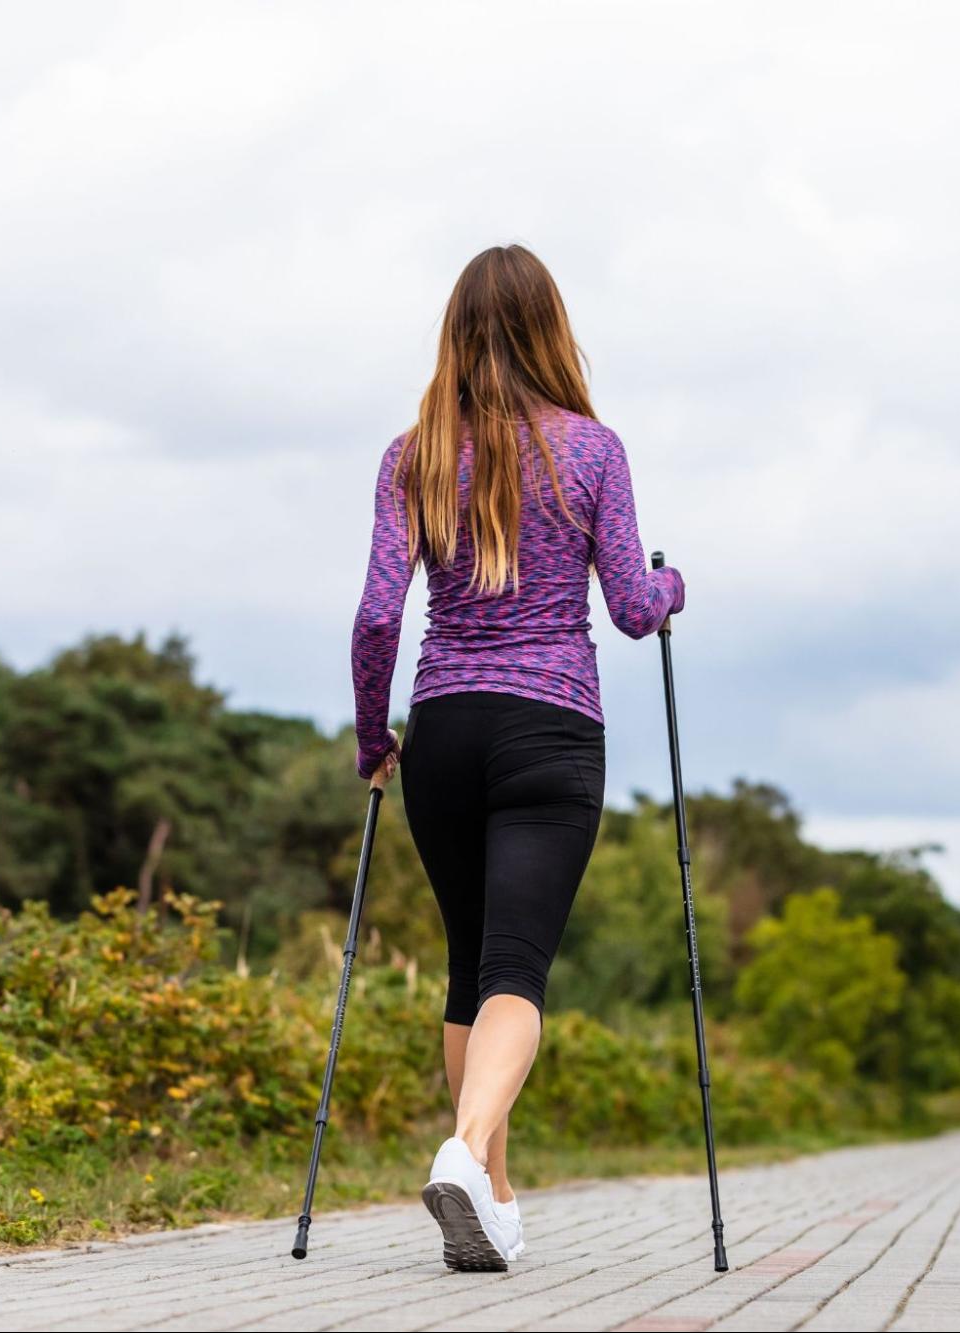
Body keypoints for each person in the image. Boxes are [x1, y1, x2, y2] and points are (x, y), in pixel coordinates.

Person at [349, 244, 685, 1270]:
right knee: (517, 972)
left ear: (457, 332)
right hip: (548, 729)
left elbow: (374, 617)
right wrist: (674, 589)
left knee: (469, 968)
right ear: (552, 330)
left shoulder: (412, 454)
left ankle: (491, 1196)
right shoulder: (591, 450)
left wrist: (375, 738)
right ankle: (461, 1153)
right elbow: (633, 607)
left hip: (443, 728)